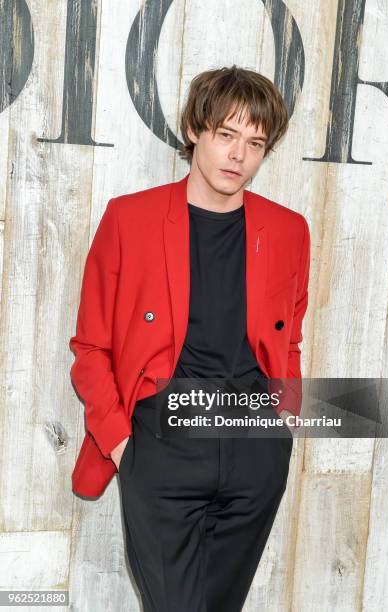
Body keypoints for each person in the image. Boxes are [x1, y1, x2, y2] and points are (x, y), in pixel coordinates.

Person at [69, 64, 311, 611]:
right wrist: (123, 442)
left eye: (254, 143)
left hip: (254, 445)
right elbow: (91, 348)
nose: (238, 156)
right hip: (162, 444)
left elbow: (288, 340)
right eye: (226, 135)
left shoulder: (290, 230)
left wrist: (282, 424)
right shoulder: (130, 220)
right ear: (196, 129)